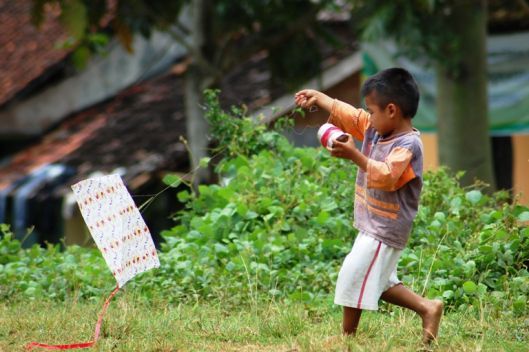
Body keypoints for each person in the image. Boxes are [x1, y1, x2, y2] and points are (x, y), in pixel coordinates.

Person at [294, 67, 443, 345]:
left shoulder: (408, 145)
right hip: (372, 221)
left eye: (372, 111)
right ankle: (427, 307)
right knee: (381, 281)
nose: (368, 118)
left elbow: (387, 175)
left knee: (353, 273)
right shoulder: (376, 128)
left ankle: (346, 338)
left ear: (391, 110)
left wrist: (354, 155)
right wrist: (320, 98)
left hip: (386, 226)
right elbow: (353, 116)